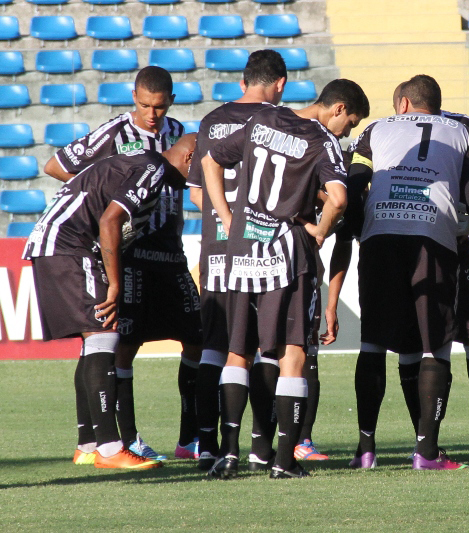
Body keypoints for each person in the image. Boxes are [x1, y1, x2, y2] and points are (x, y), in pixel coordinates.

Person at [202, 79, 369, 479]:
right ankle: (283, 461)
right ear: (338, 108)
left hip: (242, 250)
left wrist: (227, 217)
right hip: (287, 254)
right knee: (293, 353)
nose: (347, 132)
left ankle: (228, 456)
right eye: (351, 123)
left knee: (237, 352)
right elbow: (340, 199)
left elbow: (210, 159)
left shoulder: (264, 118)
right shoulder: (323, 141)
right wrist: (321, 229)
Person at [44, 66, 203, 462]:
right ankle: (127, 439)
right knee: (121, 346)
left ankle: (191, 439)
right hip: (128, 254)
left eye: (160, 107)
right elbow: (56, 165)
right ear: (134, 97)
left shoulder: (178, 132)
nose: (152, 114)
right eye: (145, 105)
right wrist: (96, 195)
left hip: (170, 251)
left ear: (171, 102)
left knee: (198, 339)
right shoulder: (114, 133)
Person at [346, 74, 469, 470]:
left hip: (381, 235)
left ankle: (365, 449)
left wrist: (363, 231)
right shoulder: (462, 131)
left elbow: (355, 186)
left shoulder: (374, 130)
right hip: (434, 237)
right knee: (434, 344)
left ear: (403, 104)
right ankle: (426, 451)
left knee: (372, 342)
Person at [186, 49, 287, 471]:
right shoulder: (281, 122)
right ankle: (261, 447)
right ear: (280, 84)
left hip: (215, 248)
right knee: (265, 348)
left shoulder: (211, 120)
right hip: (262, 249)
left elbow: (196, 191)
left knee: (216, 348)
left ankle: (207, 444)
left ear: (244, 81)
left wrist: (223, 219)